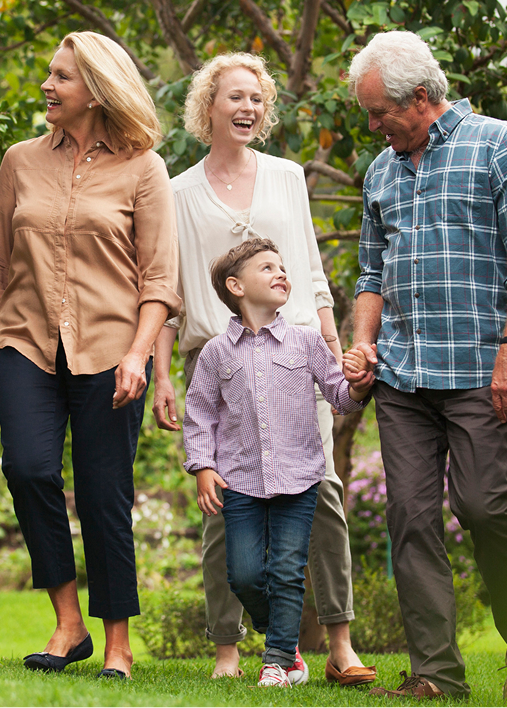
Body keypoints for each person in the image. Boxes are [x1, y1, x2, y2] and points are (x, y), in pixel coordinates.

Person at [149, 54, 376, 686]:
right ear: (208, 107)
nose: (247, 108)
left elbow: (308, 272)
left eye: (257, 99)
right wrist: (164, 375)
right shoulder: (178, 191)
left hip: (296, 355)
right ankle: (228, 647)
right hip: (215, 358)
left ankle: (339, 642)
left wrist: (333, 348)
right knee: (224, 503)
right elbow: (168, 294)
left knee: (323, 493)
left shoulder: (286, 177)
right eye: (235, 98)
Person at [339, 31, 507, 702]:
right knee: (409, 513)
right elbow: (371, 272)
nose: (373, 126)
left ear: (422, 99)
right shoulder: (381, 171)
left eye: (379, 113)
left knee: (483, 504)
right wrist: (364, 342)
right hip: (402, 376)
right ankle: (436, 672)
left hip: (479, 369)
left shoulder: (498, 143)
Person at [0, 32, 177, 680]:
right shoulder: (20, 161)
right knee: (28, 468)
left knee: (103, 492)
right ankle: (67, 621)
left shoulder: (143, 167)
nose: (46, 87)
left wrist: (140, 354)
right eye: (48, 75)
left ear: (96, 88)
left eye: (60, 77)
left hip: (114, 350)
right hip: (25, 341)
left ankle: (117, 640)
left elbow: (159, 279)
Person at [183, 238, 371, 688]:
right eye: (267, 268)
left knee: (287, 570)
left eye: (282, 267)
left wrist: (359, 384)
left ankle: (279, 660)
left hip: (300, 479)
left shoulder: (306, 341)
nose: (281, 273)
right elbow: (200, 413)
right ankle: (285, 642)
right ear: (236, 286)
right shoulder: (215, 353)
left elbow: (339, 397)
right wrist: (202, 466)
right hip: (241, 481)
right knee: (245, 575)